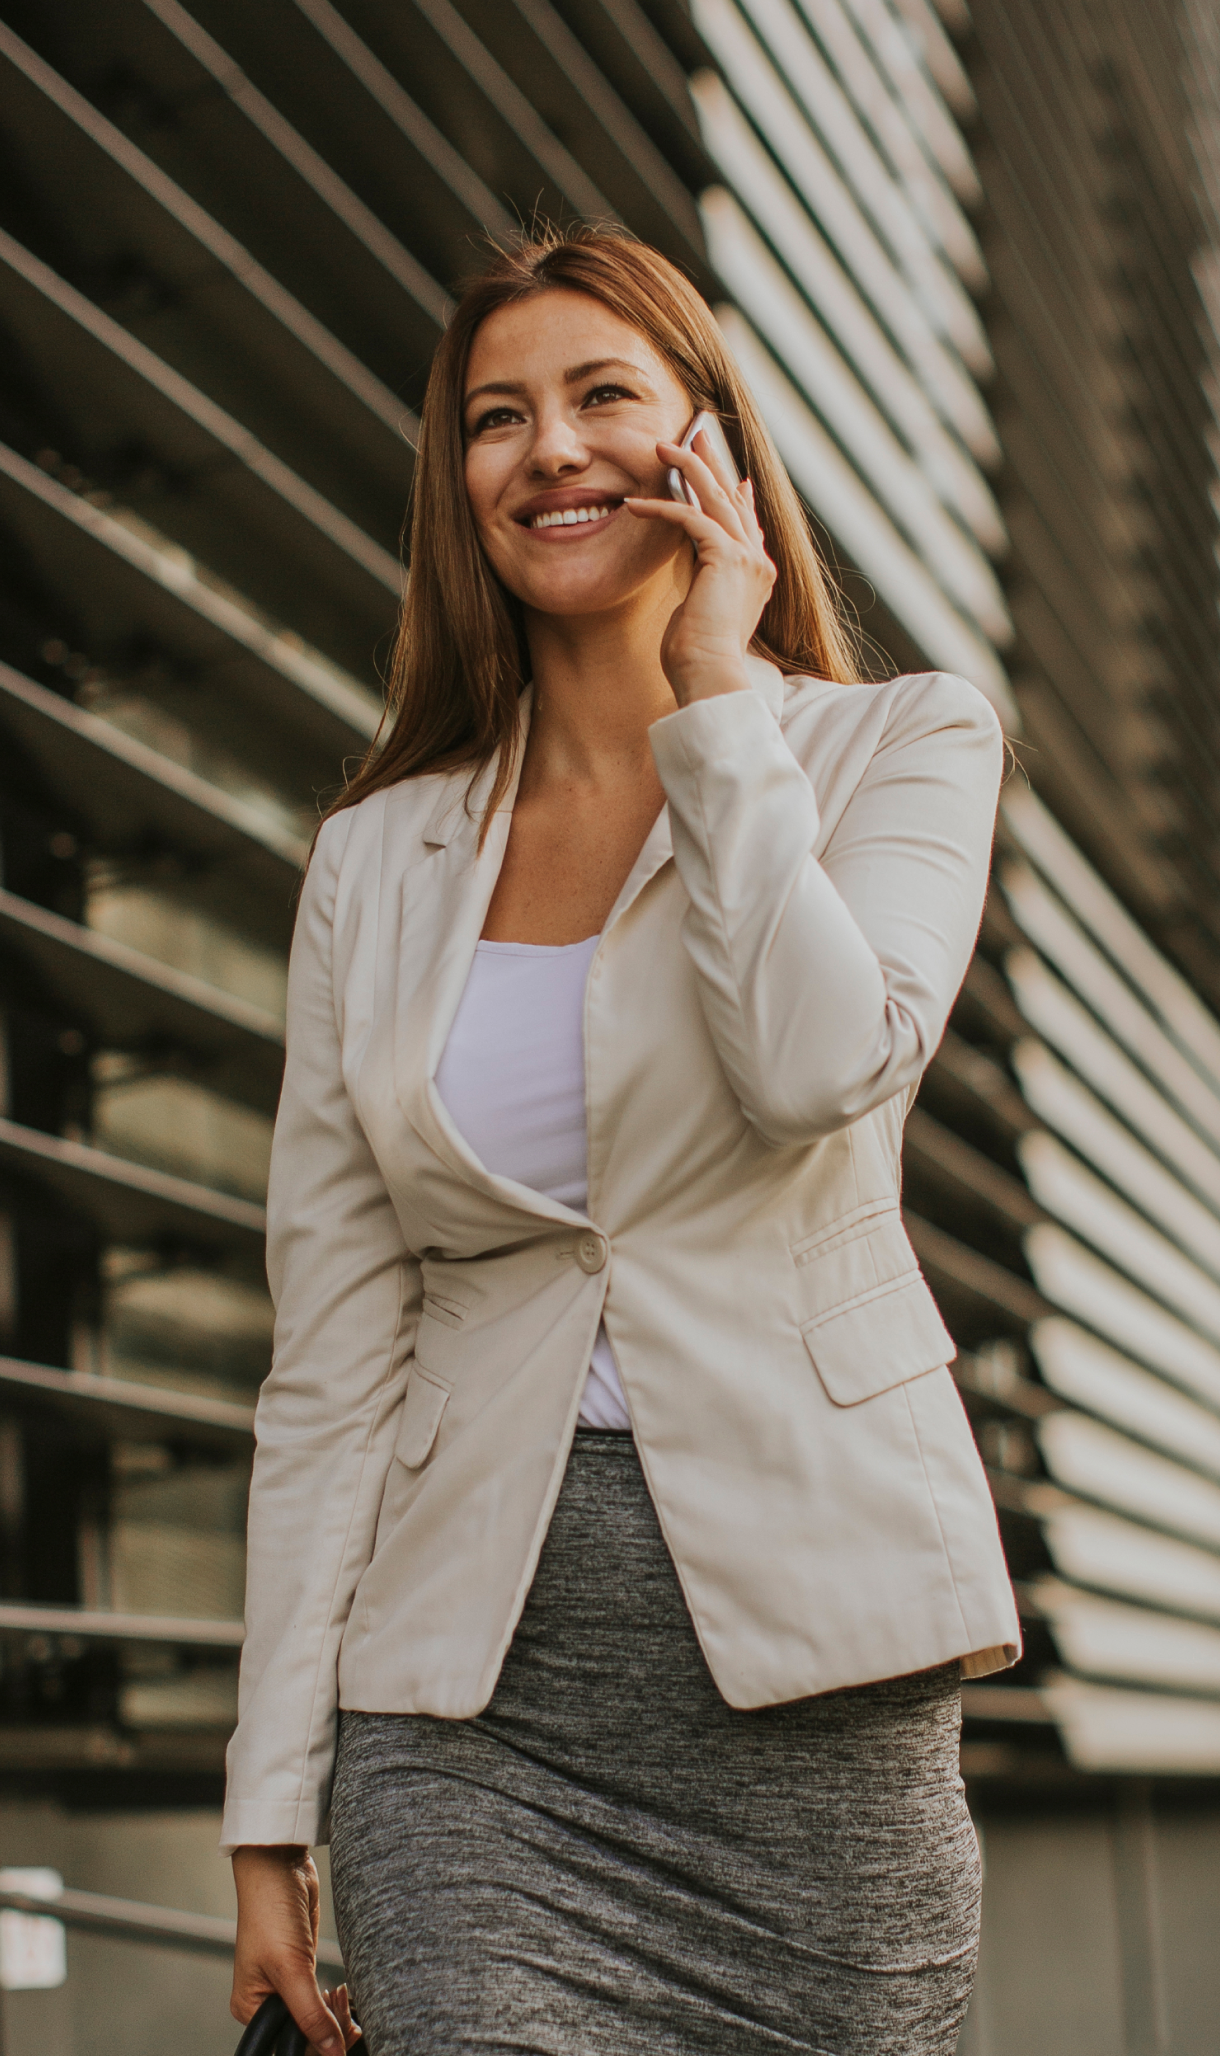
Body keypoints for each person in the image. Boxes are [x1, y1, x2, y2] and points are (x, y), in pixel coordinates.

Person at [224, 224, 1020, 2056]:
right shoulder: (375, 858)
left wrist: (716, 695)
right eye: (498, 419)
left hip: (814, 1666)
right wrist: (272, 1812)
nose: (551, 450)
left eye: (604, 396)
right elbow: (332, 1363)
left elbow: (821, 1072)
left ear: (712, 447)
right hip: (468, 1700)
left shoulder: (897, 744)